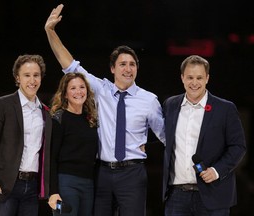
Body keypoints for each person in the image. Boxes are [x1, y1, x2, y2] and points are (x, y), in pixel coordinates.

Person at [45, 4, 166, 216]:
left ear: (137, 68)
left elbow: (165, 136)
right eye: (122, 64)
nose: (127, 69)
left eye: (132, 64)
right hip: (101, 174)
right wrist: (50, 32)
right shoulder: (101, 89)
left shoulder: (149, 100)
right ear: (112, 69)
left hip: (133, 173)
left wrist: (149, 145)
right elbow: (69, 65)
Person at [162, 55, 247, 216]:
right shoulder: (170, 105)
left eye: (199, 77)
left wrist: (216, 170)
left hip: (213, 195)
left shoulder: (225, 109)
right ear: (182, 78)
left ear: (207, 78)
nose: (194, 83)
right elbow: (159, 132)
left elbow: (238, 147)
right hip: (176, 196)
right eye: (190, 77)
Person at [0, 54, 52, 216]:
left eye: (36, 75)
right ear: (17, 78)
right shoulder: (0, 105)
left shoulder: (46, 112)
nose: (32, 80)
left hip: (32, 188)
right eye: (27, 75)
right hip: (5, 186)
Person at [47, 72, 99, 216]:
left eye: (82, 87)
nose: (78, 92)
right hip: (65, 182)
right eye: (73, 88)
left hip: (88, 184)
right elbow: (51, 157)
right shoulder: (59, 118)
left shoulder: (91, 120)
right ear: (64, 93)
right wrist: (53, 192)